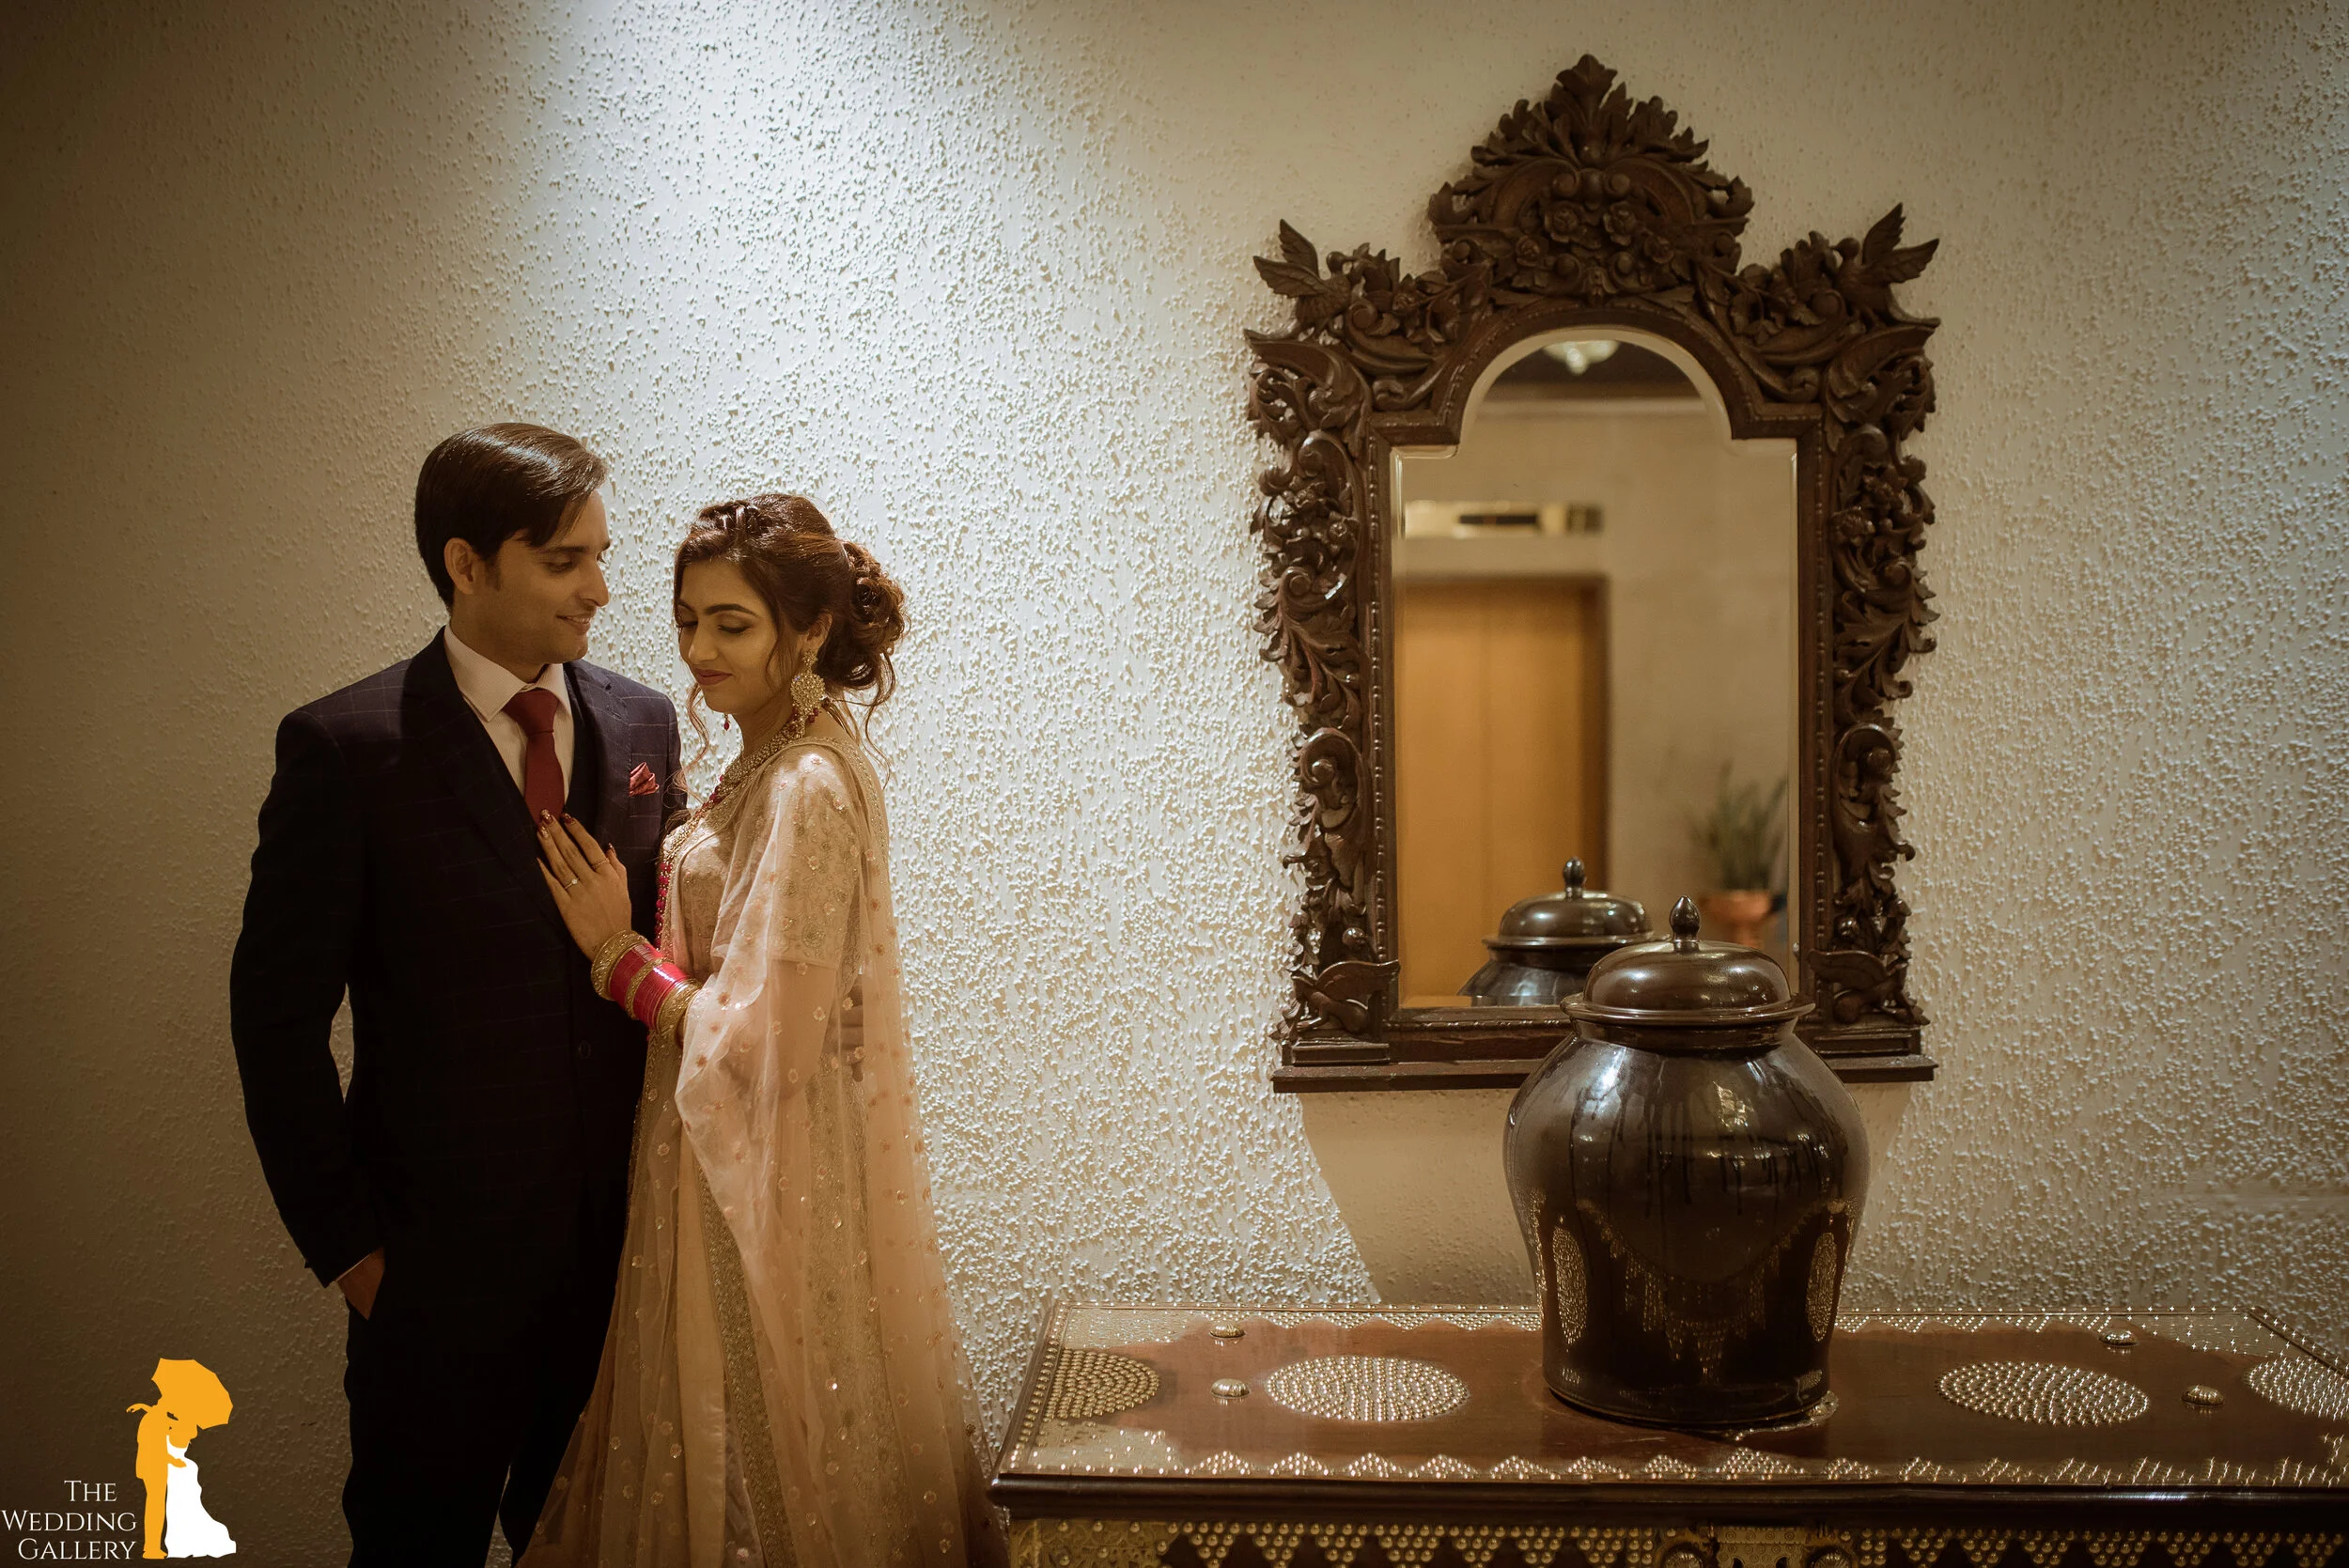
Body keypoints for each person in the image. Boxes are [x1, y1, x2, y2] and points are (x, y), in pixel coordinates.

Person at [228, 424, 685, 1565]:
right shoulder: (345, 748)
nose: (601, 589)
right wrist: (350, 1252)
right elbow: (275, 1023)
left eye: (599, 553)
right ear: (467, 564)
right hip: (431, 1288)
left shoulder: (640, 724)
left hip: (617, 1277)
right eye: (565, 561)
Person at [524, 493, 1000, 1567]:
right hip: (723, 1156)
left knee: (760, 1452)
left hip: (755, 1170)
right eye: (688, 618)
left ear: (811, 630)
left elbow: (759, 1045)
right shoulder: (769, 762)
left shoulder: (805, 785)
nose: (697, 650)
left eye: (730, 624)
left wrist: (616, 956)